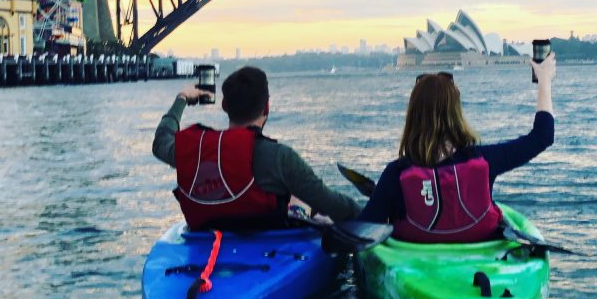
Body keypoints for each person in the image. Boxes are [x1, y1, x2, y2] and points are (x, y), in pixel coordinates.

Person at [359, 53, 556, 242]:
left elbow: (362, 231)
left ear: (413, 115)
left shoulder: (395, 174)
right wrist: (544, 80)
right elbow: (542, 137)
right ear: (456, 113)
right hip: (481, 258)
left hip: (417, 266)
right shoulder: (485, 160)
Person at [152, 65, 361, 230]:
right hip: (269, 241)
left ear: (225, 107)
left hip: (209, 238)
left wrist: (182, 98)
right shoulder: (280, 158)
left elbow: (161, 141)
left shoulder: (196, 151)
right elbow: (330, 203)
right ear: (267, 107)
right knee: (303, 199)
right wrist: (372, 214)